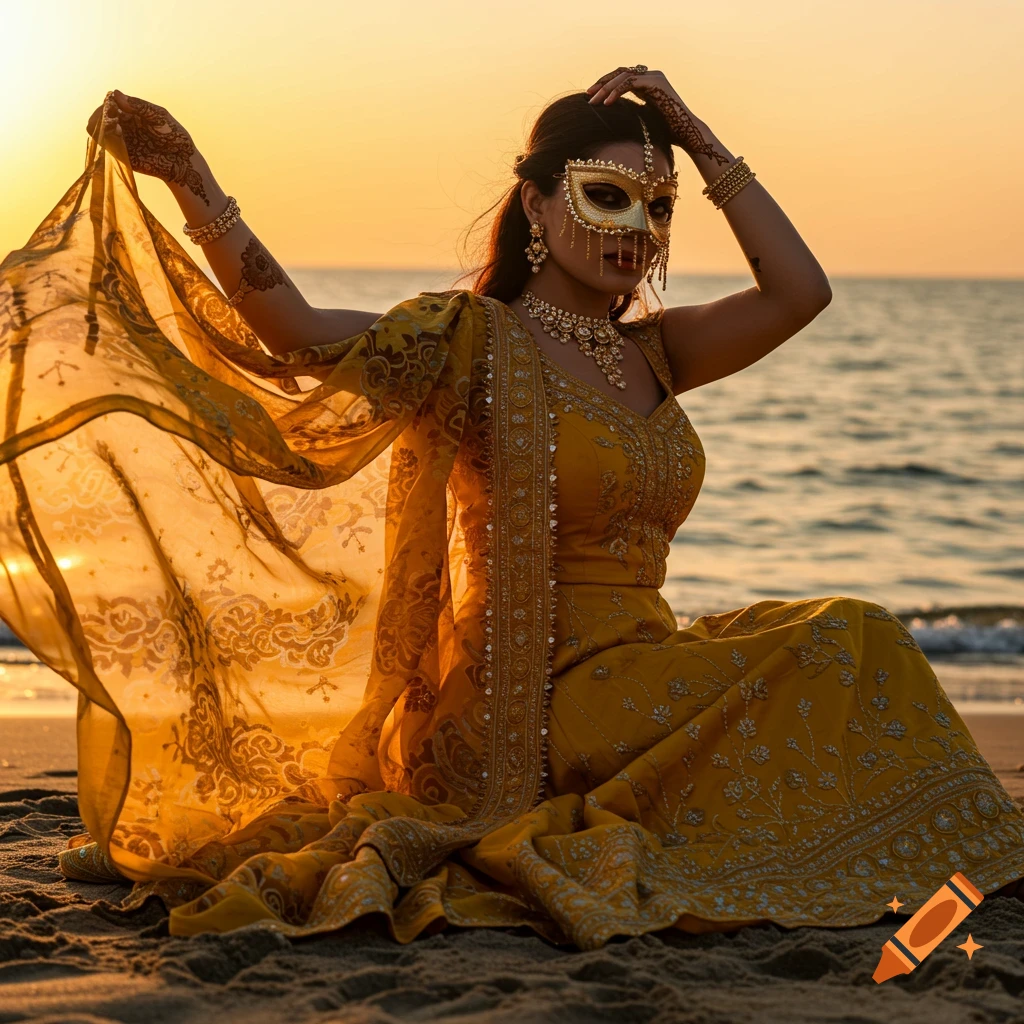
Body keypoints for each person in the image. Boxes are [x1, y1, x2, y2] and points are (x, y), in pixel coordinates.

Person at [1, 67, 1021, 951]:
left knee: (847, 642)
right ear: (536, 207)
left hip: (646, 661)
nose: (635, 229)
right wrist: (195, 182)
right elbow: (296, 333)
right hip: (537, 700)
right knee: (849, 637)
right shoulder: (473, 343)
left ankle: (946, 878)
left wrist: (699, 136)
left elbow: (799, 292)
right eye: (606, 195)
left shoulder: (655, 355)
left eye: (656, 208)